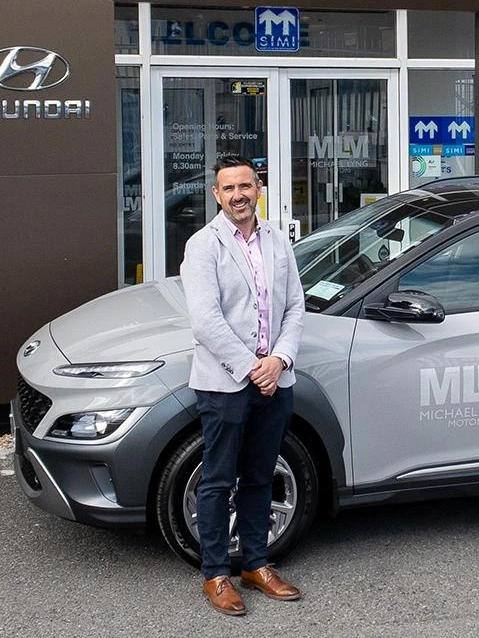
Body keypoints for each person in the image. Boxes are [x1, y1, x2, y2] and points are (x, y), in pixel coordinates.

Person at [180, 154, 305, 615]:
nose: (239, 195)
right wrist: (254, 367)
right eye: (229, 189)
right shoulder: (203, 245)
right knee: (217, 480)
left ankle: (255, 564)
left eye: (246, 187)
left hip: (276, 378)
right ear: (216, 194)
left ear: (259, 189)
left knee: (259, 475)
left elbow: (295, 306)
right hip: (226, 382)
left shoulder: (277, 240)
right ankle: (216, 574)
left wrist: (280, 359)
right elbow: (205, 321)